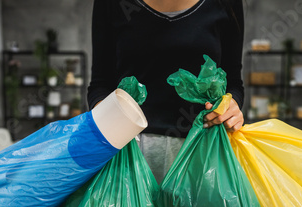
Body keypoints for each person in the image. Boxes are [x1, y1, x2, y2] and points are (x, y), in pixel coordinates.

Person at [88, 0, 245, 184]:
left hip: (203, 152)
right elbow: (100, 84)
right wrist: (104, 118)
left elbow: (233, 82)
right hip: (127, 155)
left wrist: (232, 106)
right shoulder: (112, 4)